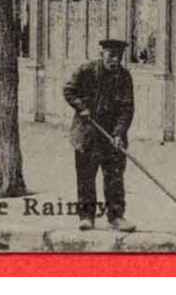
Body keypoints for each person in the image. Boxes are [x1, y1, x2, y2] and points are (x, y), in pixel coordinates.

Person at [63, 38, 136, 232]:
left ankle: (116, 216)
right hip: (87, 133)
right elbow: (69, 90)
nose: (115, 60)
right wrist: (82, 108)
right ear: (101, 53)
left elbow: (126, 109)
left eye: (119, 56)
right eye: (111, 55)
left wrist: (119, 133)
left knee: (114, 176)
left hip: (111, 135)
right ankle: (86, 216)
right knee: (86, 176)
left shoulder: (124, 77)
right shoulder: (86, 71)